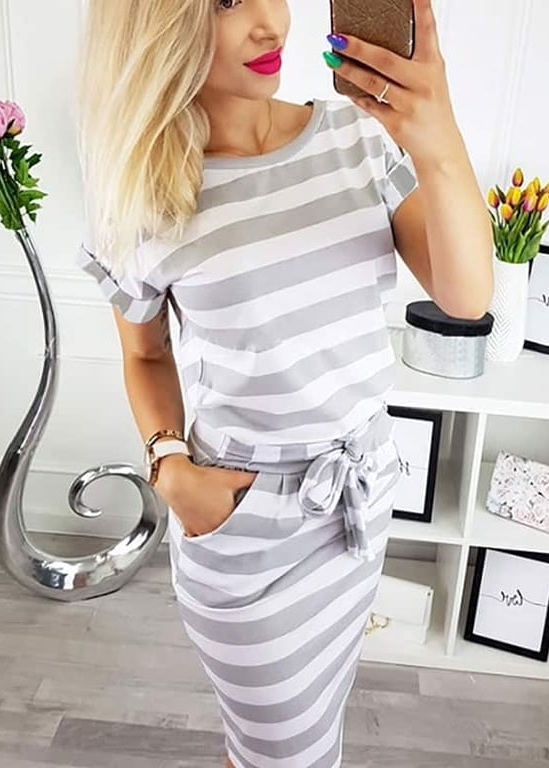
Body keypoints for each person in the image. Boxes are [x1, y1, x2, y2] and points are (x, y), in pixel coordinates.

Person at [75, 1, 492, 765]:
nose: (271, 23)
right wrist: (170, 468)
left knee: (296, 739)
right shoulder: (142, 192)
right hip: (244, 527)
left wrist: (438, 136)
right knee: (285, 751)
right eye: (228, 1)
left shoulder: (355, 140)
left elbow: (466, 299)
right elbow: (145, 356)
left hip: (359, 499)